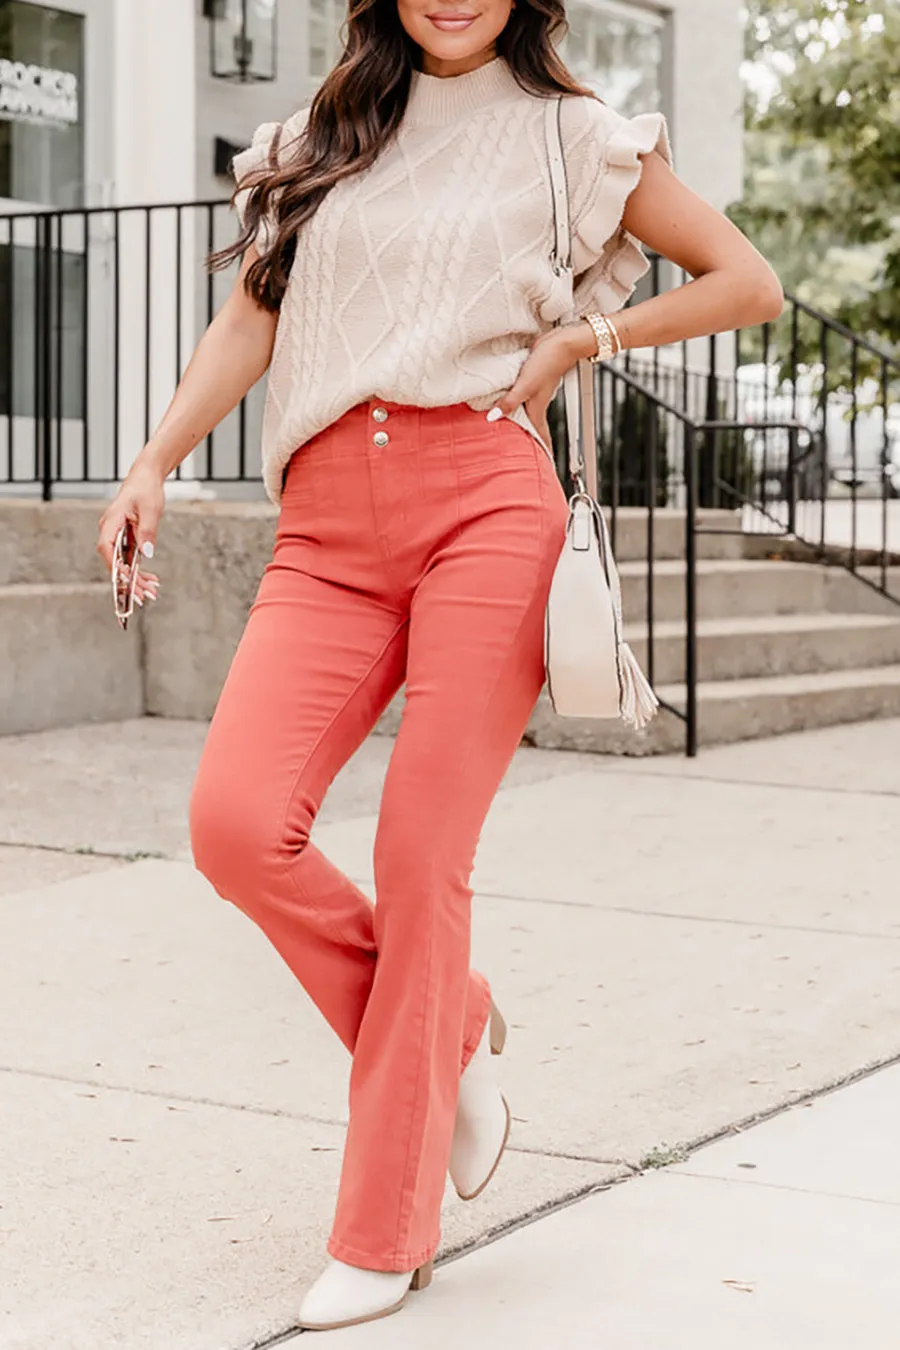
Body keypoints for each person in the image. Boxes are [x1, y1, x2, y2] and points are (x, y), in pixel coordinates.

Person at [96, 0, 782, 1333]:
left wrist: (583, 341)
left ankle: (383, 1225)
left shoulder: (575, 139)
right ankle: (447, 1025)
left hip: (486, 502)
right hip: (328, 520)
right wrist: (154, 458)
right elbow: (250, 325)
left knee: (421, 856)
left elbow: (744, 280)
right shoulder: (319, 136)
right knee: (236, 826)